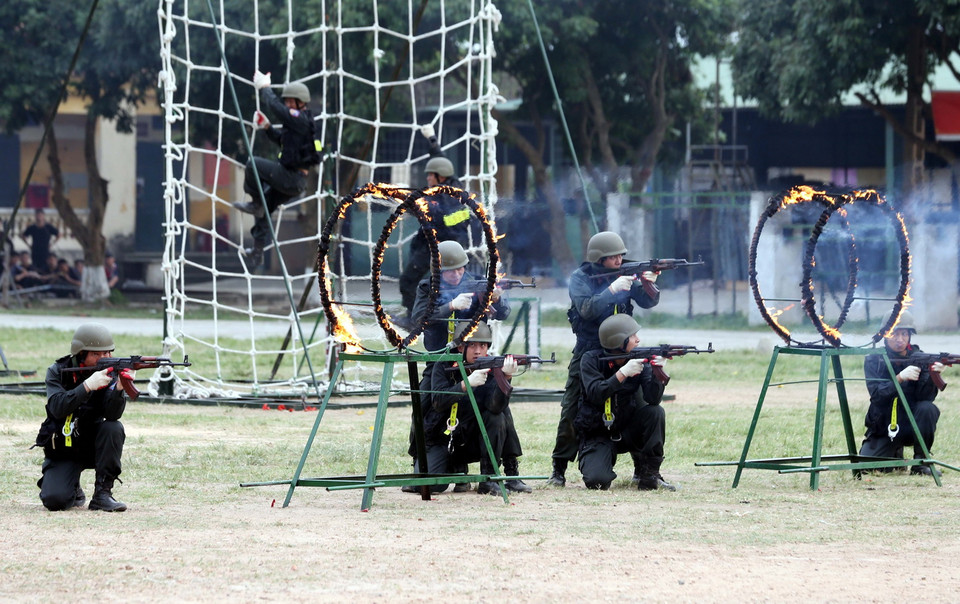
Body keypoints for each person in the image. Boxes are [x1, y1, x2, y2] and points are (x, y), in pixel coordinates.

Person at [409, 240, 531, 492]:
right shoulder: (426, 286)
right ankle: (422, 461)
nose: (457, 275)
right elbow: (418, 320)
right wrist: (450, 306)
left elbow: (502, 313)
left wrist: (495, 299)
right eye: (450, 271)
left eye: (460, 269)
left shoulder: (477, 282)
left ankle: (508, 471)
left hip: (474, 356)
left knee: (498, 409)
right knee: (424, 406)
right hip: (440, 359)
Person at [548, 231, 661, 487]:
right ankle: (559, 468)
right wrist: (611, 290)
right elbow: (586, 310)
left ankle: (644, 469)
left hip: (623, 350)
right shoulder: (580, 279)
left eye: (622, 255)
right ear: (599, 259)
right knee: (571, 408)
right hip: (589, 350)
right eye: (614, 257)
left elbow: (648, 302)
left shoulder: (627, 272)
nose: (620, 260)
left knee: (638, 403)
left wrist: (649, 283)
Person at [405, 321, 518, 496]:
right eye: (472, 345)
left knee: (498, 416)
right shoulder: (443, 365)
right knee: (429, 487)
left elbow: (495, 407)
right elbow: (438, 401)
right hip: (440, 438)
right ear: (460, 348)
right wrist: (465, 385)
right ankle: (453, 468)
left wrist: (506, 377)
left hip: (470, 440)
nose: (478, 351)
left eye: (482, 345)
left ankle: (489, 478)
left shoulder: (491, 368)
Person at [33, 323, 130, 511]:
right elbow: (57, 408)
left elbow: (112, 414)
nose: (104, 359)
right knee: (55, 501)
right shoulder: (57, 371)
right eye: (96, 354)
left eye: (107, 353)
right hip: (63, 446)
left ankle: (102, 494)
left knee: (113, 427)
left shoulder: (112, 372)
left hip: (93, 444)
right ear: (80, 353)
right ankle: (72, 487)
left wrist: (119, 389)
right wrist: (87, 386)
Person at [575, 314, 676, 491]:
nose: (638, 340)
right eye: (632, 336)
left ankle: (649, 474)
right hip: (597, 431)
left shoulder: (638, 359)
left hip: (628, 429)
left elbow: (653, 399)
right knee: (597, 482)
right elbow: (596, 393)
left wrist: (657, 373)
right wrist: (622, 374)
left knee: (655, 411)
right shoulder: (590, 360)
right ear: (618, 341)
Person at [232, 71, 320, 266]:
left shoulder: (300, 119)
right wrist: (267, 127)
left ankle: (255, 201)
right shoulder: (298, 125)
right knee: (264, 207)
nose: (288, 105)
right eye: (287, 101)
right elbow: (282, 141)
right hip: (293, 181)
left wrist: (265, 88)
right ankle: (257, 251)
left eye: (291, 102)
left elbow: (276, 107)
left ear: (300, 103)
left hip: (291, 177)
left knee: (253, 164)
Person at [397, 125, 474, 326]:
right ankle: (419, 315)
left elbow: (443, 219)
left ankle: (416, 320)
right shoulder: (445, 184)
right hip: (431, 243)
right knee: (414, 282)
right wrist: (431, 139)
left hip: (442, 247)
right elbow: (440, 159)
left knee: (410, 281)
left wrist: (422, 208)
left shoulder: (451, 196)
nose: (428, 178)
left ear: (441, 177)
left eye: (432, 175)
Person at [860, 310, 944, 476]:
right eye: (894, 334)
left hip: (912, 424)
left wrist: (934, 375)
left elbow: (926, 397)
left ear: (910, 336)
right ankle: (895, 452)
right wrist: (899, 378)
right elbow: (877, 396)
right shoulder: (874, 360)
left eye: (904, 334)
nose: (900, 339)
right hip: (885, 425)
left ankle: (921, 462)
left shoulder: (919, 357)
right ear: (885, 335)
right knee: (865, 467)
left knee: (928, 408)